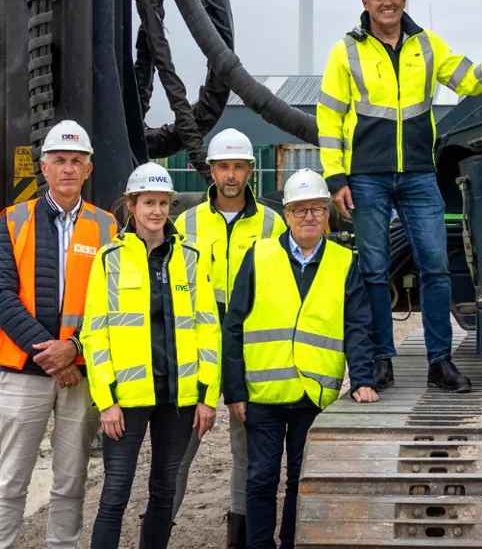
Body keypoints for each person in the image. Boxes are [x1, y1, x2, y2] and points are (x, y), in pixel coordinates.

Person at [318, 0, 482, 392]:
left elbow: (473, 80)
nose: (387, 3)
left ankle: (439, 362)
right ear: (366, 0)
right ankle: (381, 361)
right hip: (366, 176)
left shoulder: (427, 45)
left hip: (418, 174)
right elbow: (329, 118)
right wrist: (335, 178)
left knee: (435, 268)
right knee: (374, 271)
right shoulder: (345, 51)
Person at [222, 169, 379, 549]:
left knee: (300, 479)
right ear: (288, 214)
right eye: (300, 210)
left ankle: (291, 543)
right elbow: (234, 325)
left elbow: (358, 325)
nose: (310, 217)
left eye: (317, 209)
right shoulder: (259, 256)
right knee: (260, 478)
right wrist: (234, 390)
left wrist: (362, 380)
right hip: (263, 393)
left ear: (328, 214)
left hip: (313, 392)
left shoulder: (343, 262)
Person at [82, 162, 220, 549]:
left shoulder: (189, 258)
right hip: (126, 402)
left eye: (163, 203)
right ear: (132, 205)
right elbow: (95, 334)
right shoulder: (109, 259)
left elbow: (208, 329)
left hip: (178, 399)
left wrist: (207, 396)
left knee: (164, 492)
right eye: (148, 202)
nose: (157, 211)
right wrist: (106, 403)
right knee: (115, 494)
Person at [0, 121, 117, 549]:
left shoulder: (108, 227)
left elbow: (113, 303)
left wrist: (74, 350)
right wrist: (50, 357)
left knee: (71, 481)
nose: (68, 169)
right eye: (59, 161)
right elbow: (2, 295)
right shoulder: (12, 221)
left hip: (80, 373)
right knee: (9, 479)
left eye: (76, 161)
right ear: (44, 169)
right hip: (24, 374)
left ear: (88, 171)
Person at [173, 128, 285, 546]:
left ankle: (238, 539)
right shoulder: (187, 222)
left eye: (239, 166)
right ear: (211, 171)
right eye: (224, 166)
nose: (231, 175)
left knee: (246, 451)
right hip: (199, 347)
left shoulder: (272, 223)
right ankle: (158, 530)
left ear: (250, 170)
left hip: (247, 350)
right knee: (179, 451)